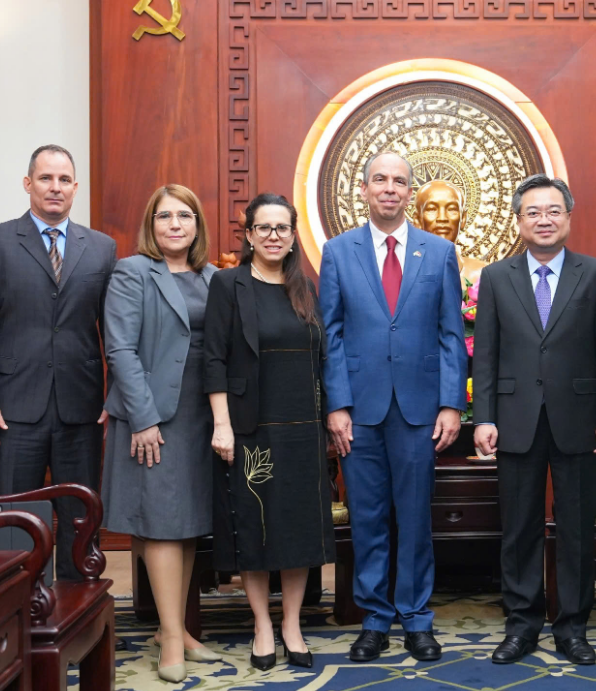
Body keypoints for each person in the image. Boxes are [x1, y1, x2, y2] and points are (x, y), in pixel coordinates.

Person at [319, 151, 468, 663]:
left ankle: (417, 620)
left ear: (409, 192)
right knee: (367, 517)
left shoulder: (439, 253)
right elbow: (331, 335)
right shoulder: (338, 252)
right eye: (379, 180)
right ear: (362, 191)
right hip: (358, 411)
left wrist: (452, 404)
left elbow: (453, 335)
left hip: (420, 411)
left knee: (414, 517)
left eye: (399, 181)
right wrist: (336, 404)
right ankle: (375, 619)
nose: (389, 188)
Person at [471, 175, 596, 666]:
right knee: (519, 529)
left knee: (578, 528)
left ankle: (573, 627)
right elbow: (486, 355)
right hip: (514, 419)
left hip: (580, 418)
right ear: (519, 221)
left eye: (553, 210)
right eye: (533, 211)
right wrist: (484, 417)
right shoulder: (495, 277)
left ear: (568, 217)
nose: (544, 219)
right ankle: (521, 625)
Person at [0, 144, 117, 580]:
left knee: (80, 517)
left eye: (64, 180)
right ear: (28, 184)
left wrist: (115, 394)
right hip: (9, 409)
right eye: (46, 178)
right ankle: (12, 618)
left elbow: (116, 331)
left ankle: (76, 613)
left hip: (81, 407)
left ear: (75, 188)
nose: (55, 187)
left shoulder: (102, 248)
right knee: (12, 517)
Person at [205, 192, 335, 671]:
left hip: (303, 427)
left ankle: (292, 623)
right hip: (249, 426)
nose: (274, 236)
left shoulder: (304, 286)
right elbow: (213, 357)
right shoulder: (228, 284)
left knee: (299, 529)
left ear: (292, 234)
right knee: (256, 528)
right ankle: (262, 622)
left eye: (283, 228)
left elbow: (321, 357)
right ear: (250, 234)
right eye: (265, 228)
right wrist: (222, 424)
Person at [100, 184, 217, 683]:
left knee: (187, 522)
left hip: (200, 415)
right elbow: (120, 349)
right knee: (163, 522)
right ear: (152, 223)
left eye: (185, 215)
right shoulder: (132, 272)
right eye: (165, 216)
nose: (175, 224)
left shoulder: (215, 277)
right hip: (153, 416)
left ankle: (178, 628)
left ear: (197, 225)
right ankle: (170, 635)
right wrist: (143, 418)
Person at [412, 179, 488, 286]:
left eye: (452, 209)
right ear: (417, 220)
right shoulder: (402, 276)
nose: (442, 218)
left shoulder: (485, 275)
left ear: (463, 219)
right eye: (432, 209)